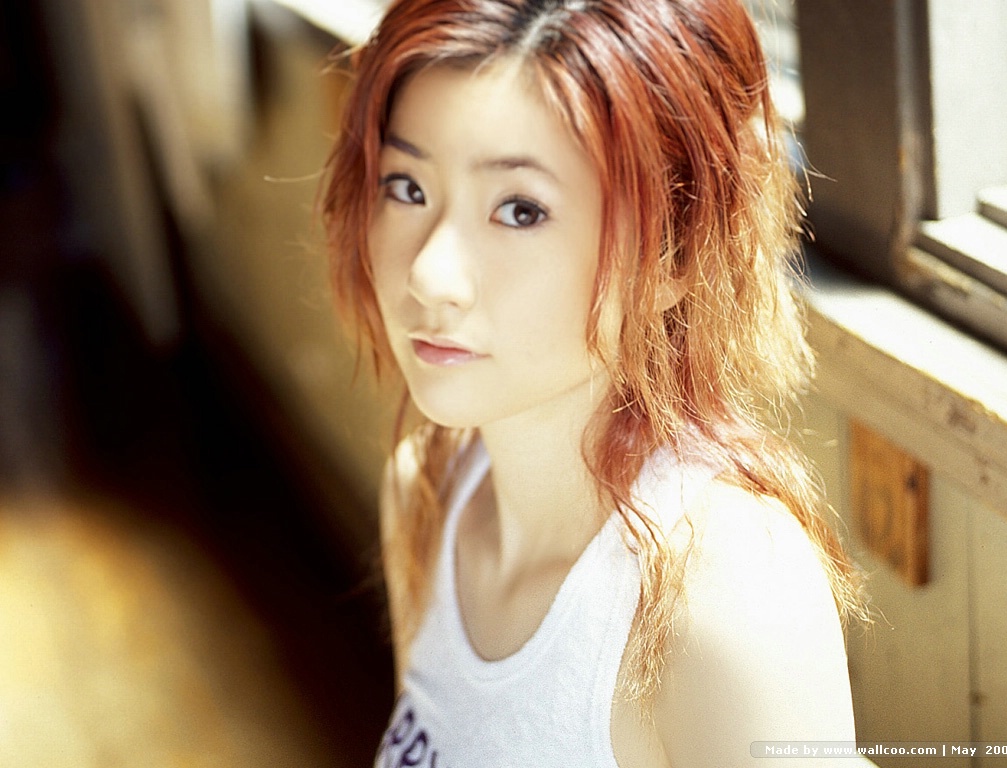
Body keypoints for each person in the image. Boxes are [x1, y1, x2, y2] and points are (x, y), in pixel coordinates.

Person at [321, 0, 869, 765]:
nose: (429, 274)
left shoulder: (727, 601)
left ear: (674, 254)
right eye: (407, 187)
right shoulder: (427, 489)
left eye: (520, 210)